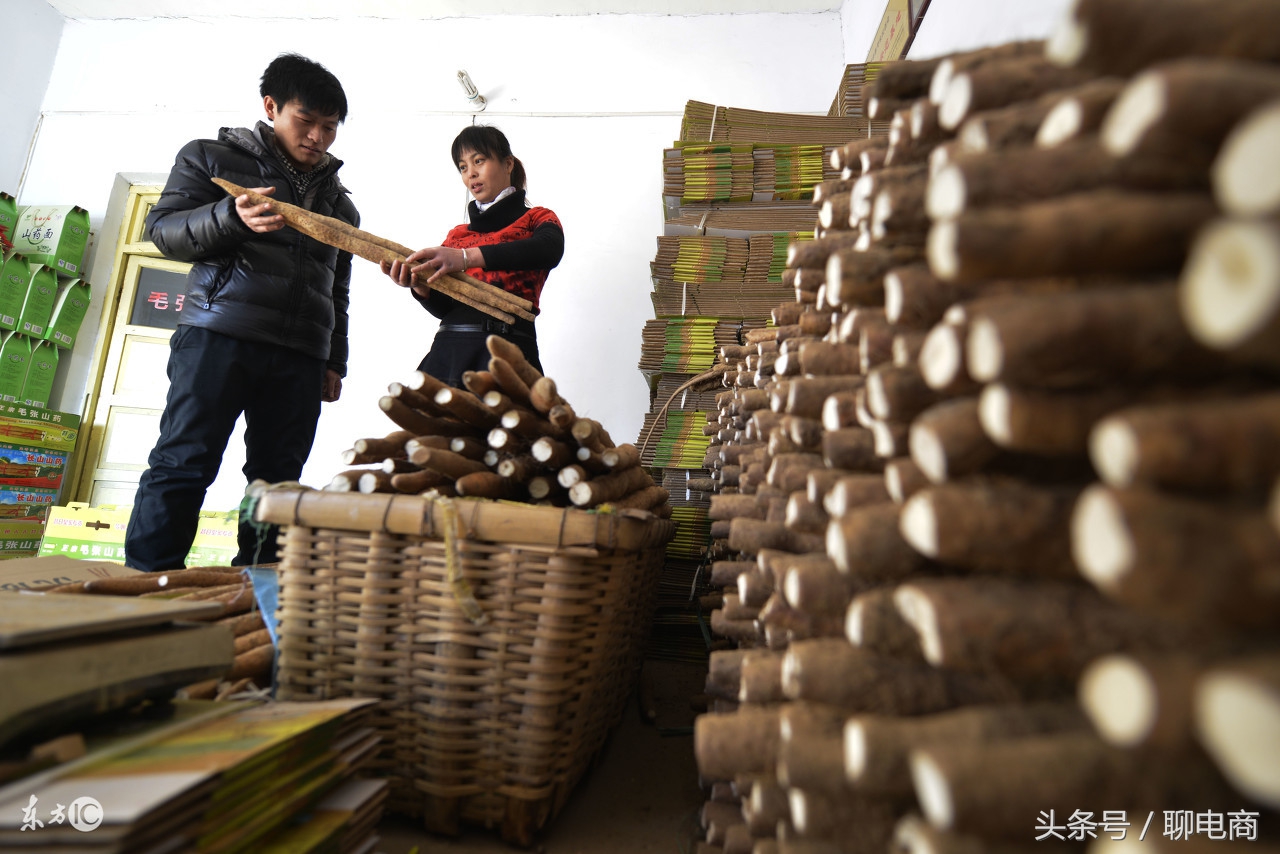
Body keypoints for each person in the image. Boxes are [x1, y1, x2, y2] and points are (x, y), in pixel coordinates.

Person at [124, 53, 358, 572]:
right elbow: (162, 231)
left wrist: (333, 360)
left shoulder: (341, 206)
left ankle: (256, 593)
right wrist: (229, 216)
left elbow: (337, 289)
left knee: (278, 485)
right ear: (272, 106)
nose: (317, 136)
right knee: (184, 463)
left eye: (329, 126)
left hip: (300, 354)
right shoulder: (210, 158)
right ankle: (147, 587)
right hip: (217, 334)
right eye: (306, 121)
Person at [383, 125, 563, 385]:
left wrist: (466, 258)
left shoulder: (537, 218)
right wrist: (419, 288)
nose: (471, 174)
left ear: (508, 163)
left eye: (479, 161)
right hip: (449, 351)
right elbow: (446, 308)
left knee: (510, 425)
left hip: (508, 353)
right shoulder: (456, 236)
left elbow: (549, 250)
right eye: (463, 167)